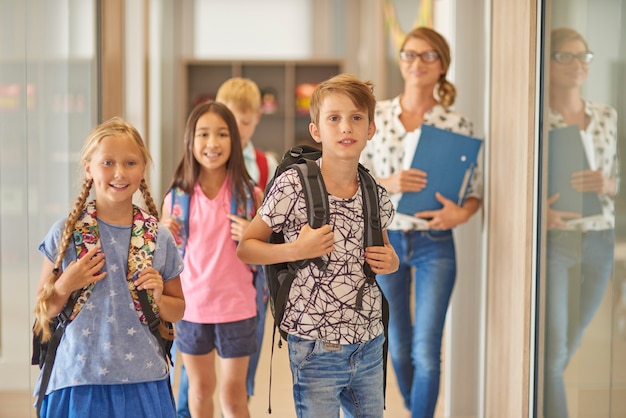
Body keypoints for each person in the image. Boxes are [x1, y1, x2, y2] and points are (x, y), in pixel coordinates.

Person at [237, 73, 400, 418]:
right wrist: (296, 250)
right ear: (316, 130)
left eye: (357, 118)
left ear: (370, 129)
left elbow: (386, 252)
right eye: (334, 118)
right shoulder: (292, 186)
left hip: (369, 342)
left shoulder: (375, 192)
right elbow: (247, 247)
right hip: (314, 345)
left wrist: (392, 261)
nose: (346, 128)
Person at [359, 27, 482, 418]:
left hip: (435, 242)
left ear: (442, 65)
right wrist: (389, 183)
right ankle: (418, 409)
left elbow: (474, 190)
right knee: (396, 340)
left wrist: (460, 213)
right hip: (385, 239)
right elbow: (352, 181)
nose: (418, 62)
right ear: (401, 60)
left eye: (429, 55)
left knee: (427, 347)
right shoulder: (375, 119)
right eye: (411, 54)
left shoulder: (457, 124)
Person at [32, 117, 185, 417]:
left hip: (144, 381)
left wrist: (157, 298)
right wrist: (65, 285)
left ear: (142, 170)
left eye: (130, 163)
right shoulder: (66, 232)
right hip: (78, 380)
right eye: (107, 163)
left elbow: (178, 309)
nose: (119, 173)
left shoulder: (158, 236)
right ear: (88, 167)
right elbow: (43, 308)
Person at [161, 100, 261, 418]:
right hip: (191, 310)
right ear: (191, 141)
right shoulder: (176, 198)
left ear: (234, 139)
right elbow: (163, 258)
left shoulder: (251, 195)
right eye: (203, 134)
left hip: (238, 309)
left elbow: (266, 252)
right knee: (200, 392)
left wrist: (254, 235)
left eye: (221, 134)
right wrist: (163, 233)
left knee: (234, 397)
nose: (213, 143)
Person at [543, 27, 618, 418]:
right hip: (557, 240)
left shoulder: (606, 116)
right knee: (554, 350)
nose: (577, 64)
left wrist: (609, 183)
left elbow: (616, 178)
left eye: (583, 56)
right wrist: (541, 212)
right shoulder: (539, 119)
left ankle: (539, 394)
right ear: (548, 61)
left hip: (600, 238)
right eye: (565, 56)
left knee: (570, 342)